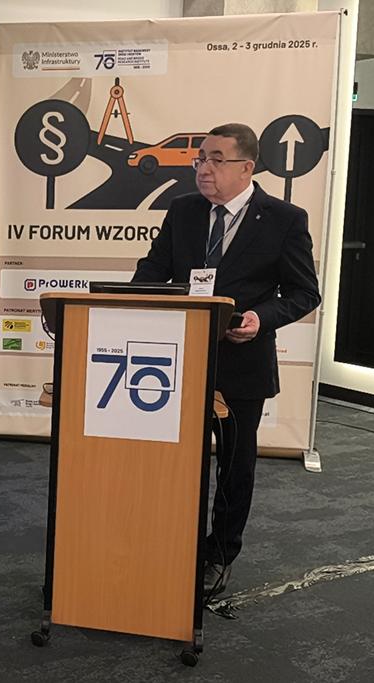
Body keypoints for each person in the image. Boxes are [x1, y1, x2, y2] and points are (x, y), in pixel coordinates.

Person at [132, 122, 320, 597]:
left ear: (246, 168)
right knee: (178, 460)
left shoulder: (284, 219)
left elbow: (304, 293)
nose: (203, 168)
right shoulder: (183, 211)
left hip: (242, 365)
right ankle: (176, 541)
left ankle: (219, 553)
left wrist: (261, 318)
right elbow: (154, 269)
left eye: (216, 159)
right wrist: (130, 299)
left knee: (234, 467)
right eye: (201, 159)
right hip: (176, 362)